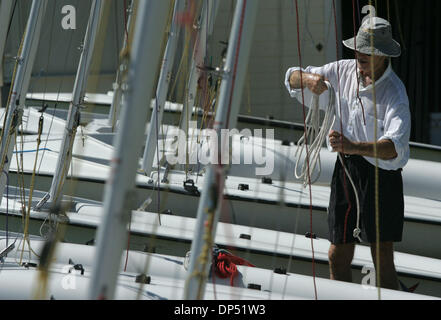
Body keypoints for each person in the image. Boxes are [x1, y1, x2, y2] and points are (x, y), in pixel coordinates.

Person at [284, 17, 411, 290]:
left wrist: (352, 145)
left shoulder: (395, 93)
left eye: (368, 51)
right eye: (359, 49)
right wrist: (308, 80)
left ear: (383, 55)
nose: (361, 55)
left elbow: (395, 148)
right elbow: (291, 77)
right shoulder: (342, 70)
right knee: (336, 254)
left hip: (381, 177)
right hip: (346, 169)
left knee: (382, 259)